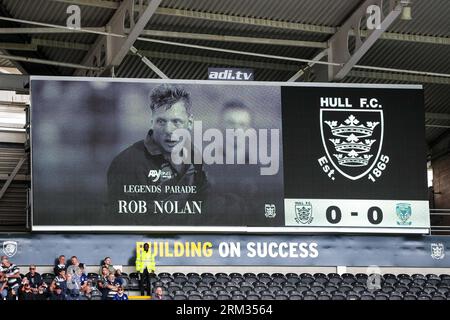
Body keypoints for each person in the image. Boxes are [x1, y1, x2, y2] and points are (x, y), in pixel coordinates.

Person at [106, 84, 209, 216]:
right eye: (161, 122)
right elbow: (123, 224)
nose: (168, 130)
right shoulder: (127, 163)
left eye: (176, 121)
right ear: (152, 122)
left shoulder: (195, 156)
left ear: (189, 123)